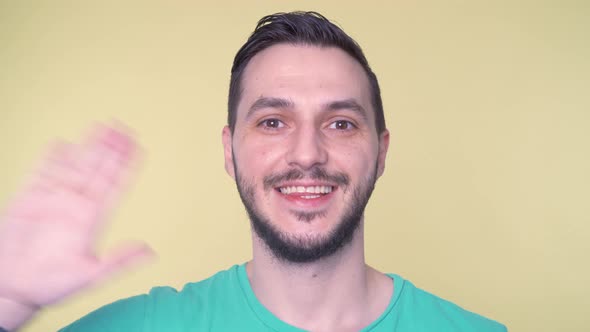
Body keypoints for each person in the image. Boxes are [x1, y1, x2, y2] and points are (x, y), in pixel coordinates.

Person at [0, 11, 506, 332]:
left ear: (380, 152)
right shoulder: (150, 326)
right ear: (229, 150)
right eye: (272, 121)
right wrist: (9, 299)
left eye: (341, 122)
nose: (307, 153)